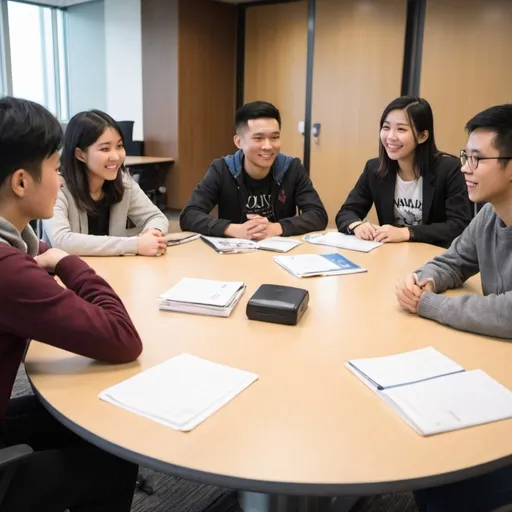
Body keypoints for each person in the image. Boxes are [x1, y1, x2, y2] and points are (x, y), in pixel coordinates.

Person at [0, 96, 143, 511]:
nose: (62, 180)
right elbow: (122, 337)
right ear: (22, 182)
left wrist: (52, 254)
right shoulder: (8, 268)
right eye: (56, 168)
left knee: (83, 414)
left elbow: (39, 247)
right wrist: (67, 261)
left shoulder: (15, 242)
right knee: (116, 456)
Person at [396, 104, 512, 512]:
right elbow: (454, 260)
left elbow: (508, 313)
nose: (465, 167)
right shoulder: (489, 217)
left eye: (477, 159)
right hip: (499, 369)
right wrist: (424, 279)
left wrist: (427, 304)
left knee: (444, 484)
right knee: (427, 454)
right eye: (465, 156)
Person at [336, 96, 472, 248]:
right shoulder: (374, 168)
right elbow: (346, 212)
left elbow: (459, 225)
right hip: (391, 255)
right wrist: (356, 225)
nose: (390, 137)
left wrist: (407, 232)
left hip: (434, 257)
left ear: (423, 136)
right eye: (386, 127)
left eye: (401, 129)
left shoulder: (449, 169)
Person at [179, 101, 328, 239]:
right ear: (239, 142)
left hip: (281, 251)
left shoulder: (291, 168)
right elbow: (189, 215)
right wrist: (234, 229)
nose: (268, 146)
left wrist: (276, 228)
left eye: (274, 137)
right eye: (258, 138)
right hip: (234, 253)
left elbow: (318, 215)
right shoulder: (222, 169)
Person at [43, 109, 169, 256]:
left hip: (113, 270)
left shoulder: (122, 181)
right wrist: (134, 245)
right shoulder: (57, 186)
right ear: (80, 154)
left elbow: (155, 217)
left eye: (119, 146)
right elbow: (62, 241)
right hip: (64, 275)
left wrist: (153, 233)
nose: (116, 156)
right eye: (105, 149)